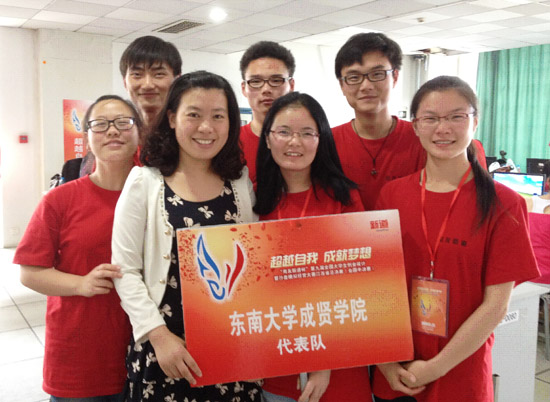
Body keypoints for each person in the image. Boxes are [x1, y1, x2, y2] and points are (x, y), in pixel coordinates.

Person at [371, 76, 540, 402]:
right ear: (416, 126)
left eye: (456, 117)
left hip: (461, 376)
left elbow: (496, 306)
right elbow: (376, 286)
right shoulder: (392, 195)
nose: (443, 128)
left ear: (475, 122)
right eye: (431, 118)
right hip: (395, 374)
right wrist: (386, 364)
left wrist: (435, 368)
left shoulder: (505, 204)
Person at [111, 71, 261, 402]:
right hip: (166, 352)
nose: (206, 127)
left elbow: (253, 262)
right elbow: (125, 270)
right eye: (194, 115)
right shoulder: (144, 182)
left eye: (218, 116)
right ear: (172, 118)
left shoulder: (239, 183)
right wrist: (158, 336)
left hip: (229, 346)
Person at [13, 95, 141, 401]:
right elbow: (30, 272)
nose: (113, 130)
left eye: (123, 122)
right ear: (86, 138)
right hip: (80, 356)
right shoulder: (59, 200)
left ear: (140, 133)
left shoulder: (156, 196)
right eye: (101, 124)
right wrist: (80, 284)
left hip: (145, 354)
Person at [254, 92, 369, 402]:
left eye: (307, 133)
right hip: (275, 363)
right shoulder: (253, 200)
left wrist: (324, 358)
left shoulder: (344, 199)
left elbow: (358, 284)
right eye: (284, 132)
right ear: (268, 139)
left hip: (339, 365)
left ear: (321, 140)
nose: (295, 142)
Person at [332, 32, 426, 211]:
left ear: (395, 77)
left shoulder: (422, 139)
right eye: (354, 77)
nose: (366, 86)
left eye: (377, 74)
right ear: (342, 85)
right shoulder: (327, 144)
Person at [240, 41, 295, 184]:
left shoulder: (308, 142)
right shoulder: (230, 143)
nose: (266, 89)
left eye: (276, 80)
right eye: (255, 81)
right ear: (244, 88)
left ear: (291, 85)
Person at [120, 35, 182, 134]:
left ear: (177, 81)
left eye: (159, 74)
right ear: (125, 83)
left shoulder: (186, 132)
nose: (147, 85)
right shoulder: (121, 134)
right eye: (137, 74)